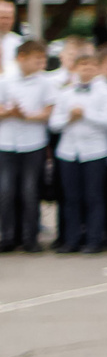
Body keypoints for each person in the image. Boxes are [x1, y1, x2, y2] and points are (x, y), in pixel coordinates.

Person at [48, 46, 107, 253]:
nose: (87, 70)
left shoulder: (105, 92)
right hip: (69, 151)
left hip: (95, 151)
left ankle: (94, 240)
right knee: (71, 198)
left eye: (91, 66)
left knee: (93, 197)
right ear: (76, 68)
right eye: (83, 65)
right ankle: (71, 240)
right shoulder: (65, 92)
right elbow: (54, 124)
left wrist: (85, 114)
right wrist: (70, 118)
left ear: (97, 69)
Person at [1, 38, 50, 249]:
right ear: (22, 58)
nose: (41, 63)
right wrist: (9, 113)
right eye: (36, 59)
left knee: (30, 191)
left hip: (33, 142)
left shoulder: (45, 82)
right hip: (6, 142)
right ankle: (7, 236)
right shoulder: (5, 81)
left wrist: (26, 116)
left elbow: (48, 111)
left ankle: (30, 237)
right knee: (6, 191)